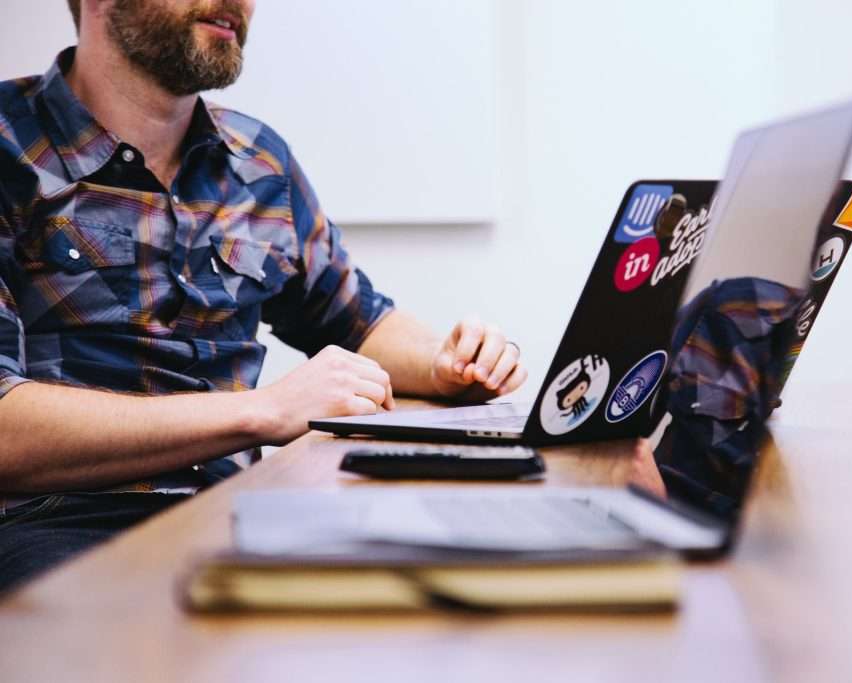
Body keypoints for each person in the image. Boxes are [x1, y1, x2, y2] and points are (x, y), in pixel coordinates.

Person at [0, 0, 526, 591]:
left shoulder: (258, 162)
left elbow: (356, 322)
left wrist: (446, 359)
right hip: (57, 526)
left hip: (239, 513)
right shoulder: (8, 146)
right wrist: (263, 412)